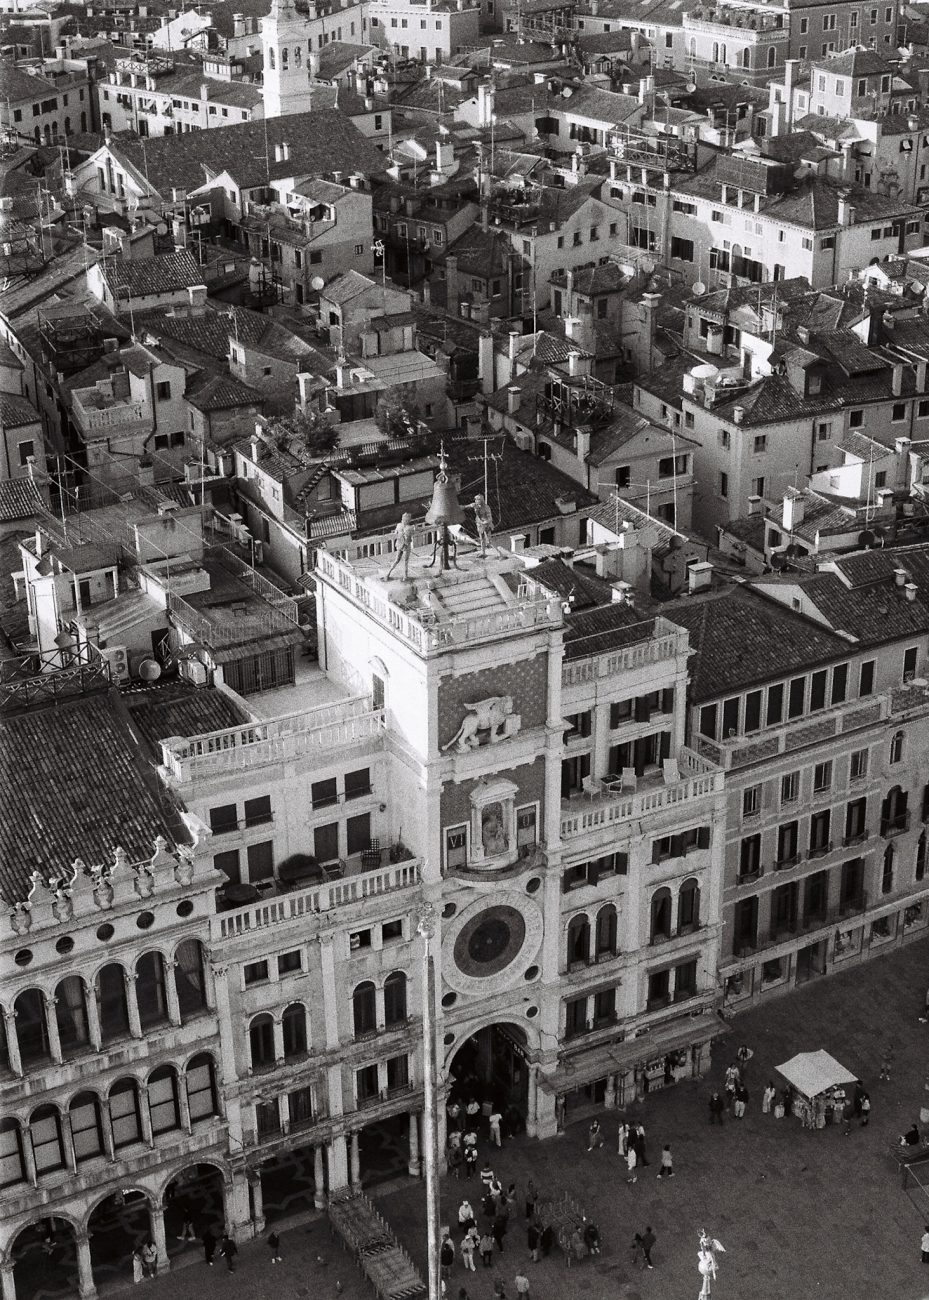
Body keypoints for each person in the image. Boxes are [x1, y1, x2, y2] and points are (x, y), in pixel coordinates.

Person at [385, 513, 415, 579]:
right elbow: (413, 534)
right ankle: (405, 576)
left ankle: (388, 574)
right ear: (408, 520)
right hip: (406, 546)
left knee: (396, 560)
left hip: (399, 544)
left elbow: (395, 533)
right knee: (405, 561)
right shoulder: (410, 527)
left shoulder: (399, 525)